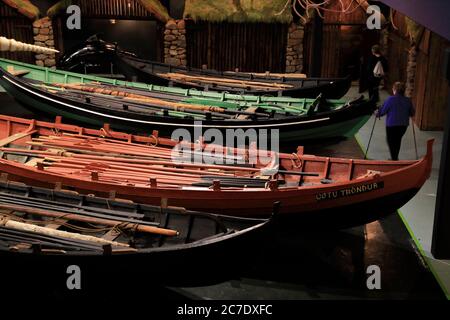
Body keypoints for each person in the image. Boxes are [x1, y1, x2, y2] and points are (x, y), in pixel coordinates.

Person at [377, 81, 415, 161]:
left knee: (391, 141)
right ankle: (395, 158)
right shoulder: (408, 100)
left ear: (394, 90)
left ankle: (394, 159)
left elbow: (383, 111)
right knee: (397, 141)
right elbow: (412, 113)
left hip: (392, 125)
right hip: (403, 126)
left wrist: (378, 113)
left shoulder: (390, 99)